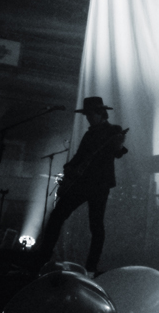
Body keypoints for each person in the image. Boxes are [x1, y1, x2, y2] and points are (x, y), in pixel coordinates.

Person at [28, 96, 128, 274]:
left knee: (95, 225)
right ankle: (41, 260)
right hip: (82, 183)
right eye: (87, 114)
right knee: (57, 216)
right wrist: (69, 169)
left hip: (99, 184)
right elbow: (80, 156)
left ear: (100, 113)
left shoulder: (114, 130)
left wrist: (119, 145)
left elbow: (118, 153)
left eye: (90, 114)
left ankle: (91, 267)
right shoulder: (89, 134)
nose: (88, 118)